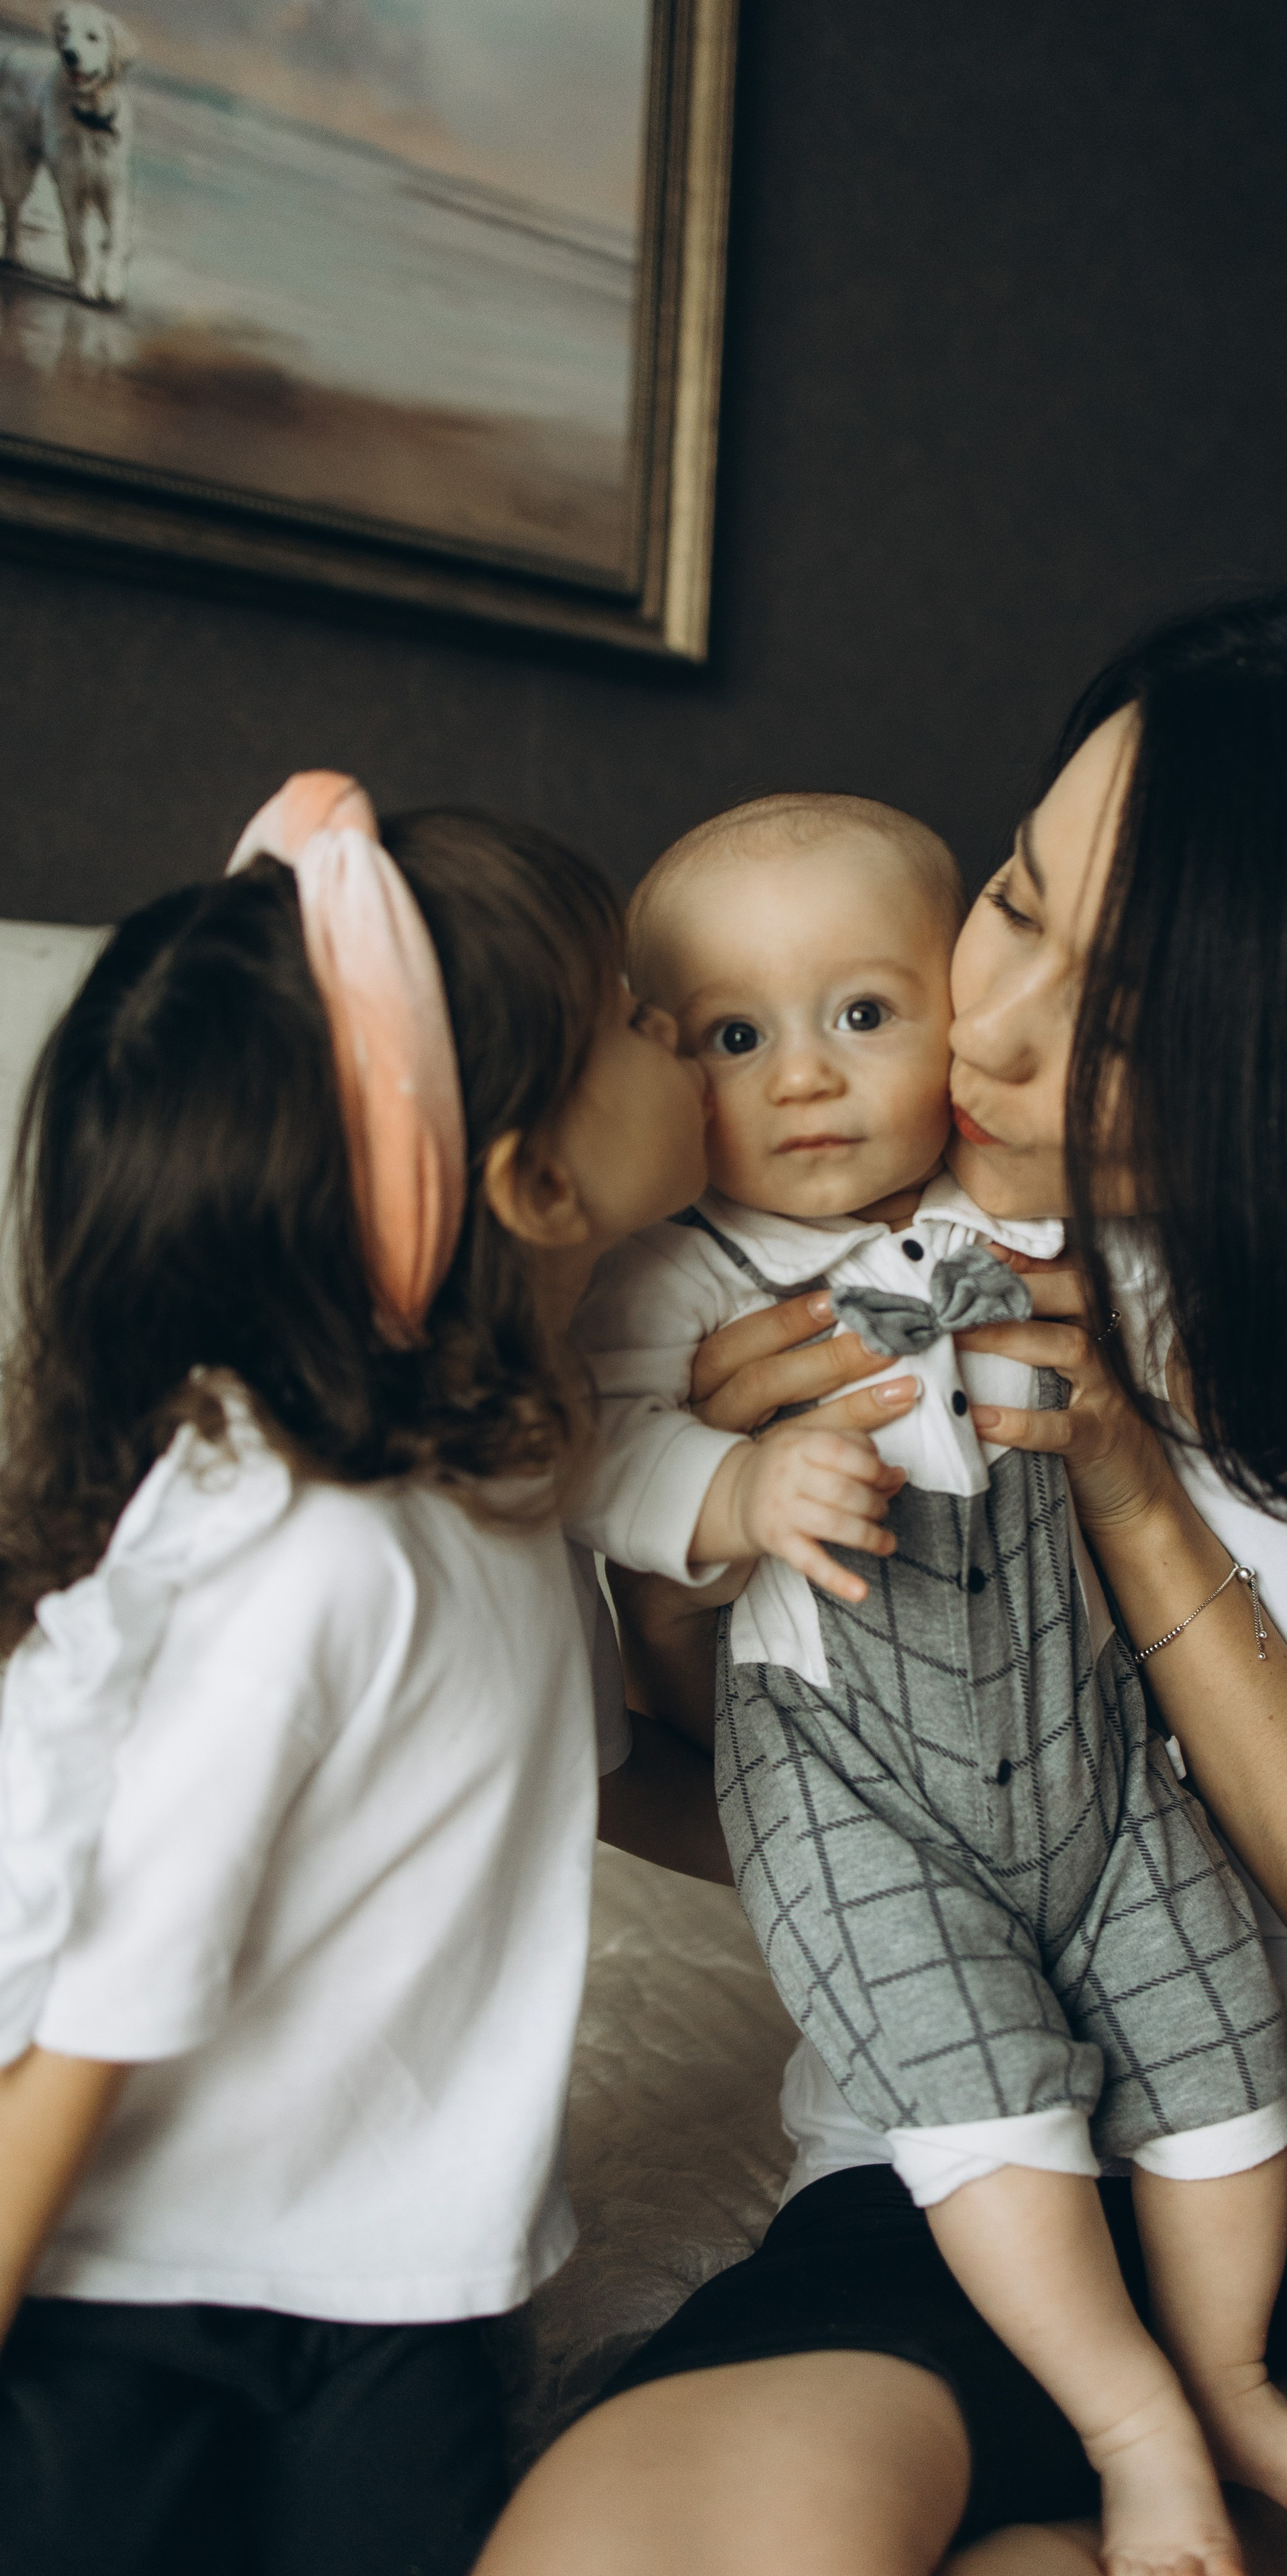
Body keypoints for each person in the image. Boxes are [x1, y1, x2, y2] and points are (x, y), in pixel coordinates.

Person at [478, 594, 1287, 2576]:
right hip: (978, 2125)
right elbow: (710, 1795)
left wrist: (1133, 1494)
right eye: (1021, 905)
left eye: (1130, 1007)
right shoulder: (806, 1254)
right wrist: (696, 1548)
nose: (998, 1028)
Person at [568, 790, 1287, 2575]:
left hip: (1088, 1760)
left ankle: (1232, 2371)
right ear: (655, 1059)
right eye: (735, 1036)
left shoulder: (1025, 1224)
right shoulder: (671, 1283)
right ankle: (1130, 2421)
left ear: (958, 1013)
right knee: (981, 2086)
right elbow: (594, 1461)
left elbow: (1173, 1363)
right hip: (856, 1796)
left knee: (1215, 2043)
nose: (802, 1077)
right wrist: (730, 1487)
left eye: (860, 1014)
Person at [0, 773, 721, 2576]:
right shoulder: (317, 1547)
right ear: (537, 1181)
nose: (682, 1030)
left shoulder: (504, 1475)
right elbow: (103, 1999)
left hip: (411, 2281)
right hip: (133, 2279)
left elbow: (575, 1790)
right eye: (638, 1015)